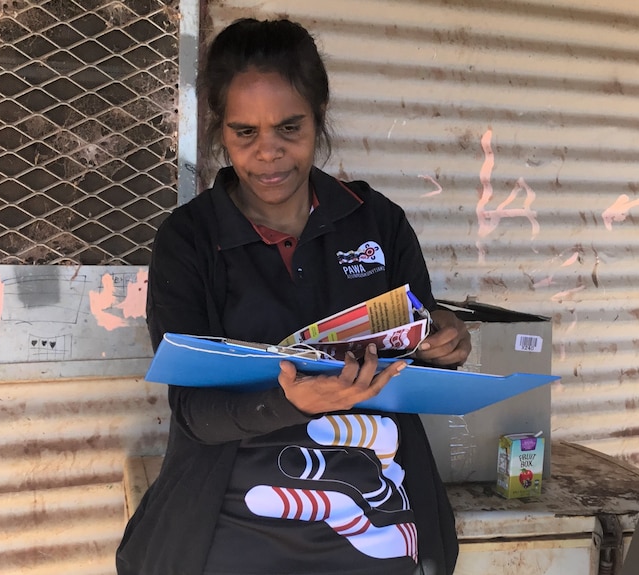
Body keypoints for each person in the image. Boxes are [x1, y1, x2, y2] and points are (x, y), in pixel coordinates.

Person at [117, 17, 471, 575]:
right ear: (220, 131)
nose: (269, 154)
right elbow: (193, 414)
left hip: (380, 516)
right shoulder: (189, 240)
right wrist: (289, 404)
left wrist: (444, 342)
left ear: (318, 118)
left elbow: (416, 353)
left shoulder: (377, 222)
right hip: (236, 528)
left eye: (289, 128)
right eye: (245, 133)